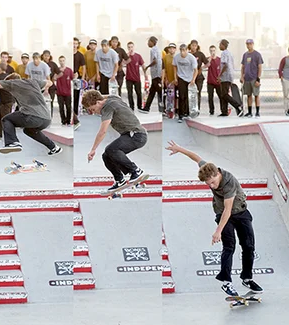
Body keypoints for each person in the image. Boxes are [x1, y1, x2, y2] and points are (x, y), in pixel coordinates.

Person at [165, 140, 264, 296]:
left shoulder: (228, 181)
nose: (211, 186)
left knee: (248, 246)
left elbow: (228, 209)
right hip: (223, 214)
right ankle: (226, 282)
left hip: (239, 212)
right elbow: (196, 157)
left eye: (212, 182)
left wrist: (218, 231)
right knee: (229, 246)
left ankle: (247, 278)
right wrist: (179, 149)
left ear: (218, 174)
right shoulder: (208, 169)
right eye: (208, 184)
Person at [0, 75, 62, 155]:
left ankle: (12, 142)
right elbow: (49, 82)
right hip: (46, 119)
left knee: (6, 119)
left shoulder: (12, 83)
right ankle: (53, 147)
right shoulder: (33, 82)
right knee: (29, 131)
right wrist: (42, 89)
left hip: (32, 116)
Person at [82, 90, 148, 191]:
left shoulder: (107, 108)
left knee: (111, 149)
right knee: (106, 156)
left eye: (93, 109)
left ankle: (135, 171)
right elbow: (111, 95)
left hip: (136, 135)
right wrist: (94, 96)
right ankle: (120, 180)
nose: (94, 112)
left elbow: (102, 132)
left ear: (98, 103)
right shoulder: (113, 98)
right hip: (131, 135)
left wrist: (93, 149)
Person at [172, 44, 198, 122]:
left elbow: (195, 70)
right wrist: (175, 78)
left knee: (188, 97)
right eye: (181, 50)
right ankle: (181, 115)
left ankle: (187, 113)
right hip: (181, 78)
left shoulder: (191, 58)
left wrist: (193, 80)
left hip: (190, 79)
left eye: (184, 50)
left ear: (187, 50)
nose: (182, 52)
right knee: (181, 96)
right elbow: (174, 67)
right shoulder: (177, 57)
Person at [218, 39, 242, 117]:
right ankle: (224, 111)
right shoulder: (230, 53)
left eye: (220, 44)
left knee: (224, 94)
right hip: (230, 75)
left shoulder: (224, 53)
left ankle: (237, 105)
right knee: (223, 94)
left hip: (225, 76)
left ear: (223, 45)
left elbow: (225, 65)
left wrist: (220, 75)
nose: (219, 46)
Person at [241, 39, 264, 118]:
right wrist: (242, 76)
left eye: (250, 44)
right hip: (247, 78)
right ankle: (249, 112)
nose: (248, 45)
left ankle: (257, 112)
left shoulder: (257, 54)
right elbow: (243, 66)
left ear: (253, 44)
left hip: (254, 78)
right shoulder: (245, 55)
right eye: (247, 44)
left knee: (256, 95)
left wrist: (258, 78)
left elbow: (260, 67)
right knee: (248, 95)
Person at [141, 36, 163, 114]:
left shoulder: (153, 50)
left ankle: (162, 108)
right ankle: (147, 108)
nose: (148, 43)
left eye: (149, 42)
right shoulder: (157, 49)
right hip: (155, 74)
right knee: (152, 91)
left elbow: (155, 61)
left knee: (159, 91)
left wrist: (147, 66)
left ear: (152, 42)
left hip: (156, 74)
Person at [124, 41, 145, 112]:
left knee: (139, 93)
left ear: (134, 47)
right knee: (130, 93)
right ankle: (131, 107)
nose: (130, 48)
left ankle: (139, 106)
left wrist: (145, 75)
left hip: (137, 78)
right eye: (129, 47)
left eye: (131, 47)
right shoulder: (126, 56)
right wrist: (127, 56)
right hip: (129, 78)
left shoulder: (138, 56)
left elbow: (143, 65)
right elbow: (123, 63)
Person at [188, 40, 209, 112]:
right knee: (190, 93)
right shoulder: (188, 55)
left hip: (199, 77)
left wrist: (201, 68)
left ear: (197, 46)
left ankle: (198, 109)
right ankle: (190, 109)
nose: (193, 47)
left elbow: (208, 63)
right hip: (190, 76)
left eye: (195, 45)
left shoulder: (200, 54)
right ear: (190, 46)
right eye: (192, 45)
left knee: (198, 92)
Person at [278, 45, 289, 116]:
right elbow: (280, 69)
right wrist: (281, 77)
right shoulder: (284, 59)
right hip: (286, 79)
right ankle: (286, 110)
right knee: (286, 95)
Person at [206, 45, 221, 115]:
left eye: (214, 50)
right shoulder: (208, 59)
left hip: (218, 81)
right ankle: (211, 111)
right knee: (210, 97)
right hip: (210, 81)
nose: (213, 52)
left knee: (221, 96)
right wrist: (210, 59)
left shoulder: (219, 60)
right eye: (211, 51)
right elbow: (205, 66)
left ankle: (223, 110)